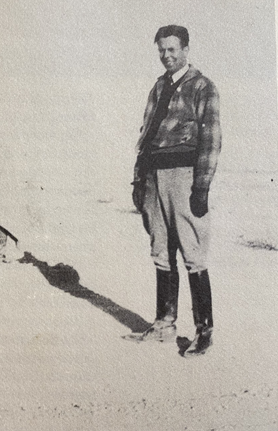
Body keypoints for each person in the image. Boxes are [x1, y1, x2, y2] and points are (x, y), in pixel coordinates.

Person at [125, 25, 221, 357]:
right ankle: (164, 324)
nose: (167, 56)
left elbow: (211, 140)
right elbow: (146, 134)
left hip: (184, 176)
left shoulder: (201, 87)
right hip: (155, 176)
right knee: (160, 250)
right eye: (162, 50)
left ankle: (204, 331)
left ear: (186, 49)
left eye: (173, 50)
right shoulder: (158, 87)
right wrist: (139, 179)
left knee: (192, 254)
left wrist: (201, 187)